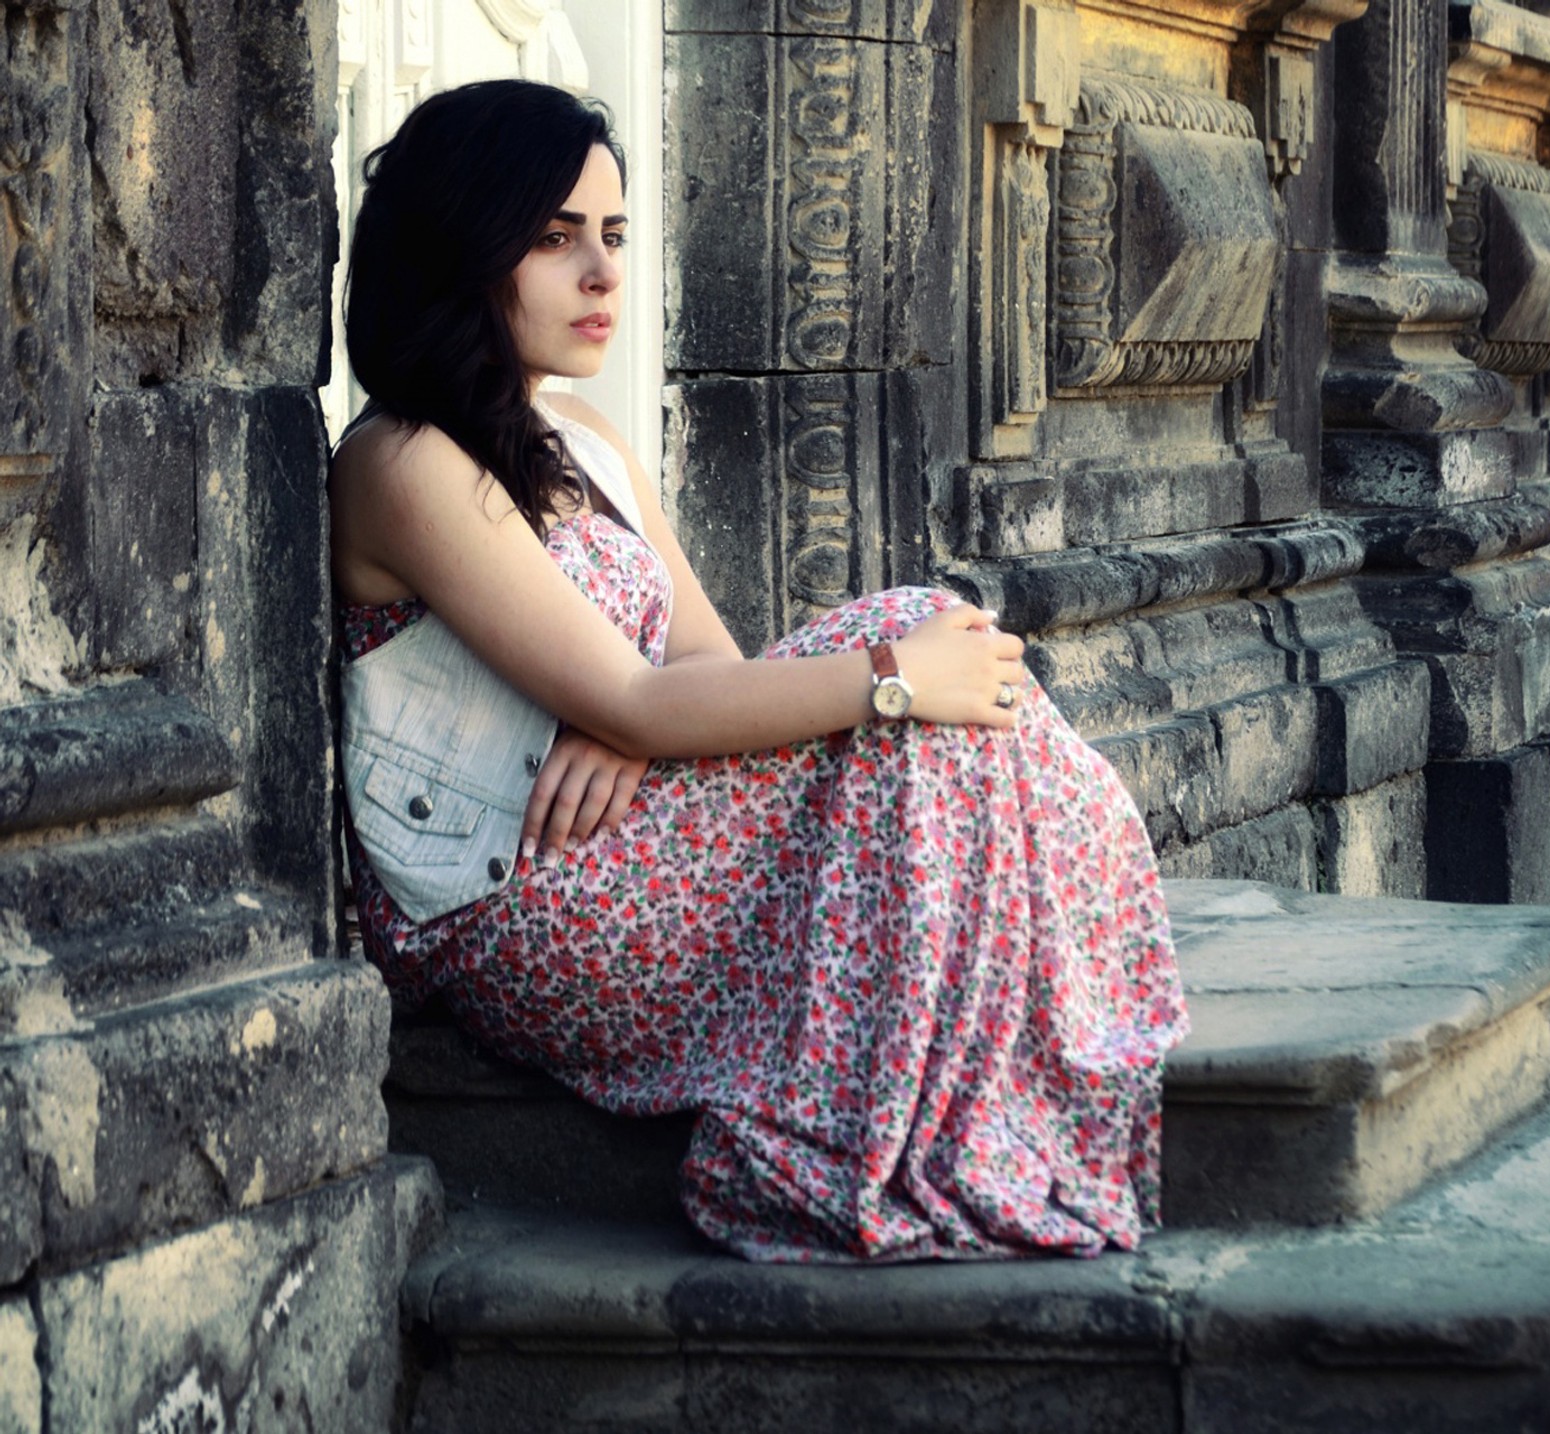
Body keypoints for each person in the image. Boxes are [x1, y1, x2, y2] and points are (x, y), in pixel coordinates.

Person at [329, 79, 1187, 1263]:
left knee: (930, 673)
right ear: (462, 244)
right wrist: (883, 674)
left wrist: (636, 722)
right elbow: (647, 689)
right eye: (553, 237)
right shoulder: (401, 460)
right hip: (517, 896)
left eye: (615, 237)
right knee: (908, 649)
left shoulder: (582, 440)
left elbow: (704, 667)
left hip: (629, 833)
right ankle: (913, 1129)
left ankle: (963, 1106)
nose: (601, 275)